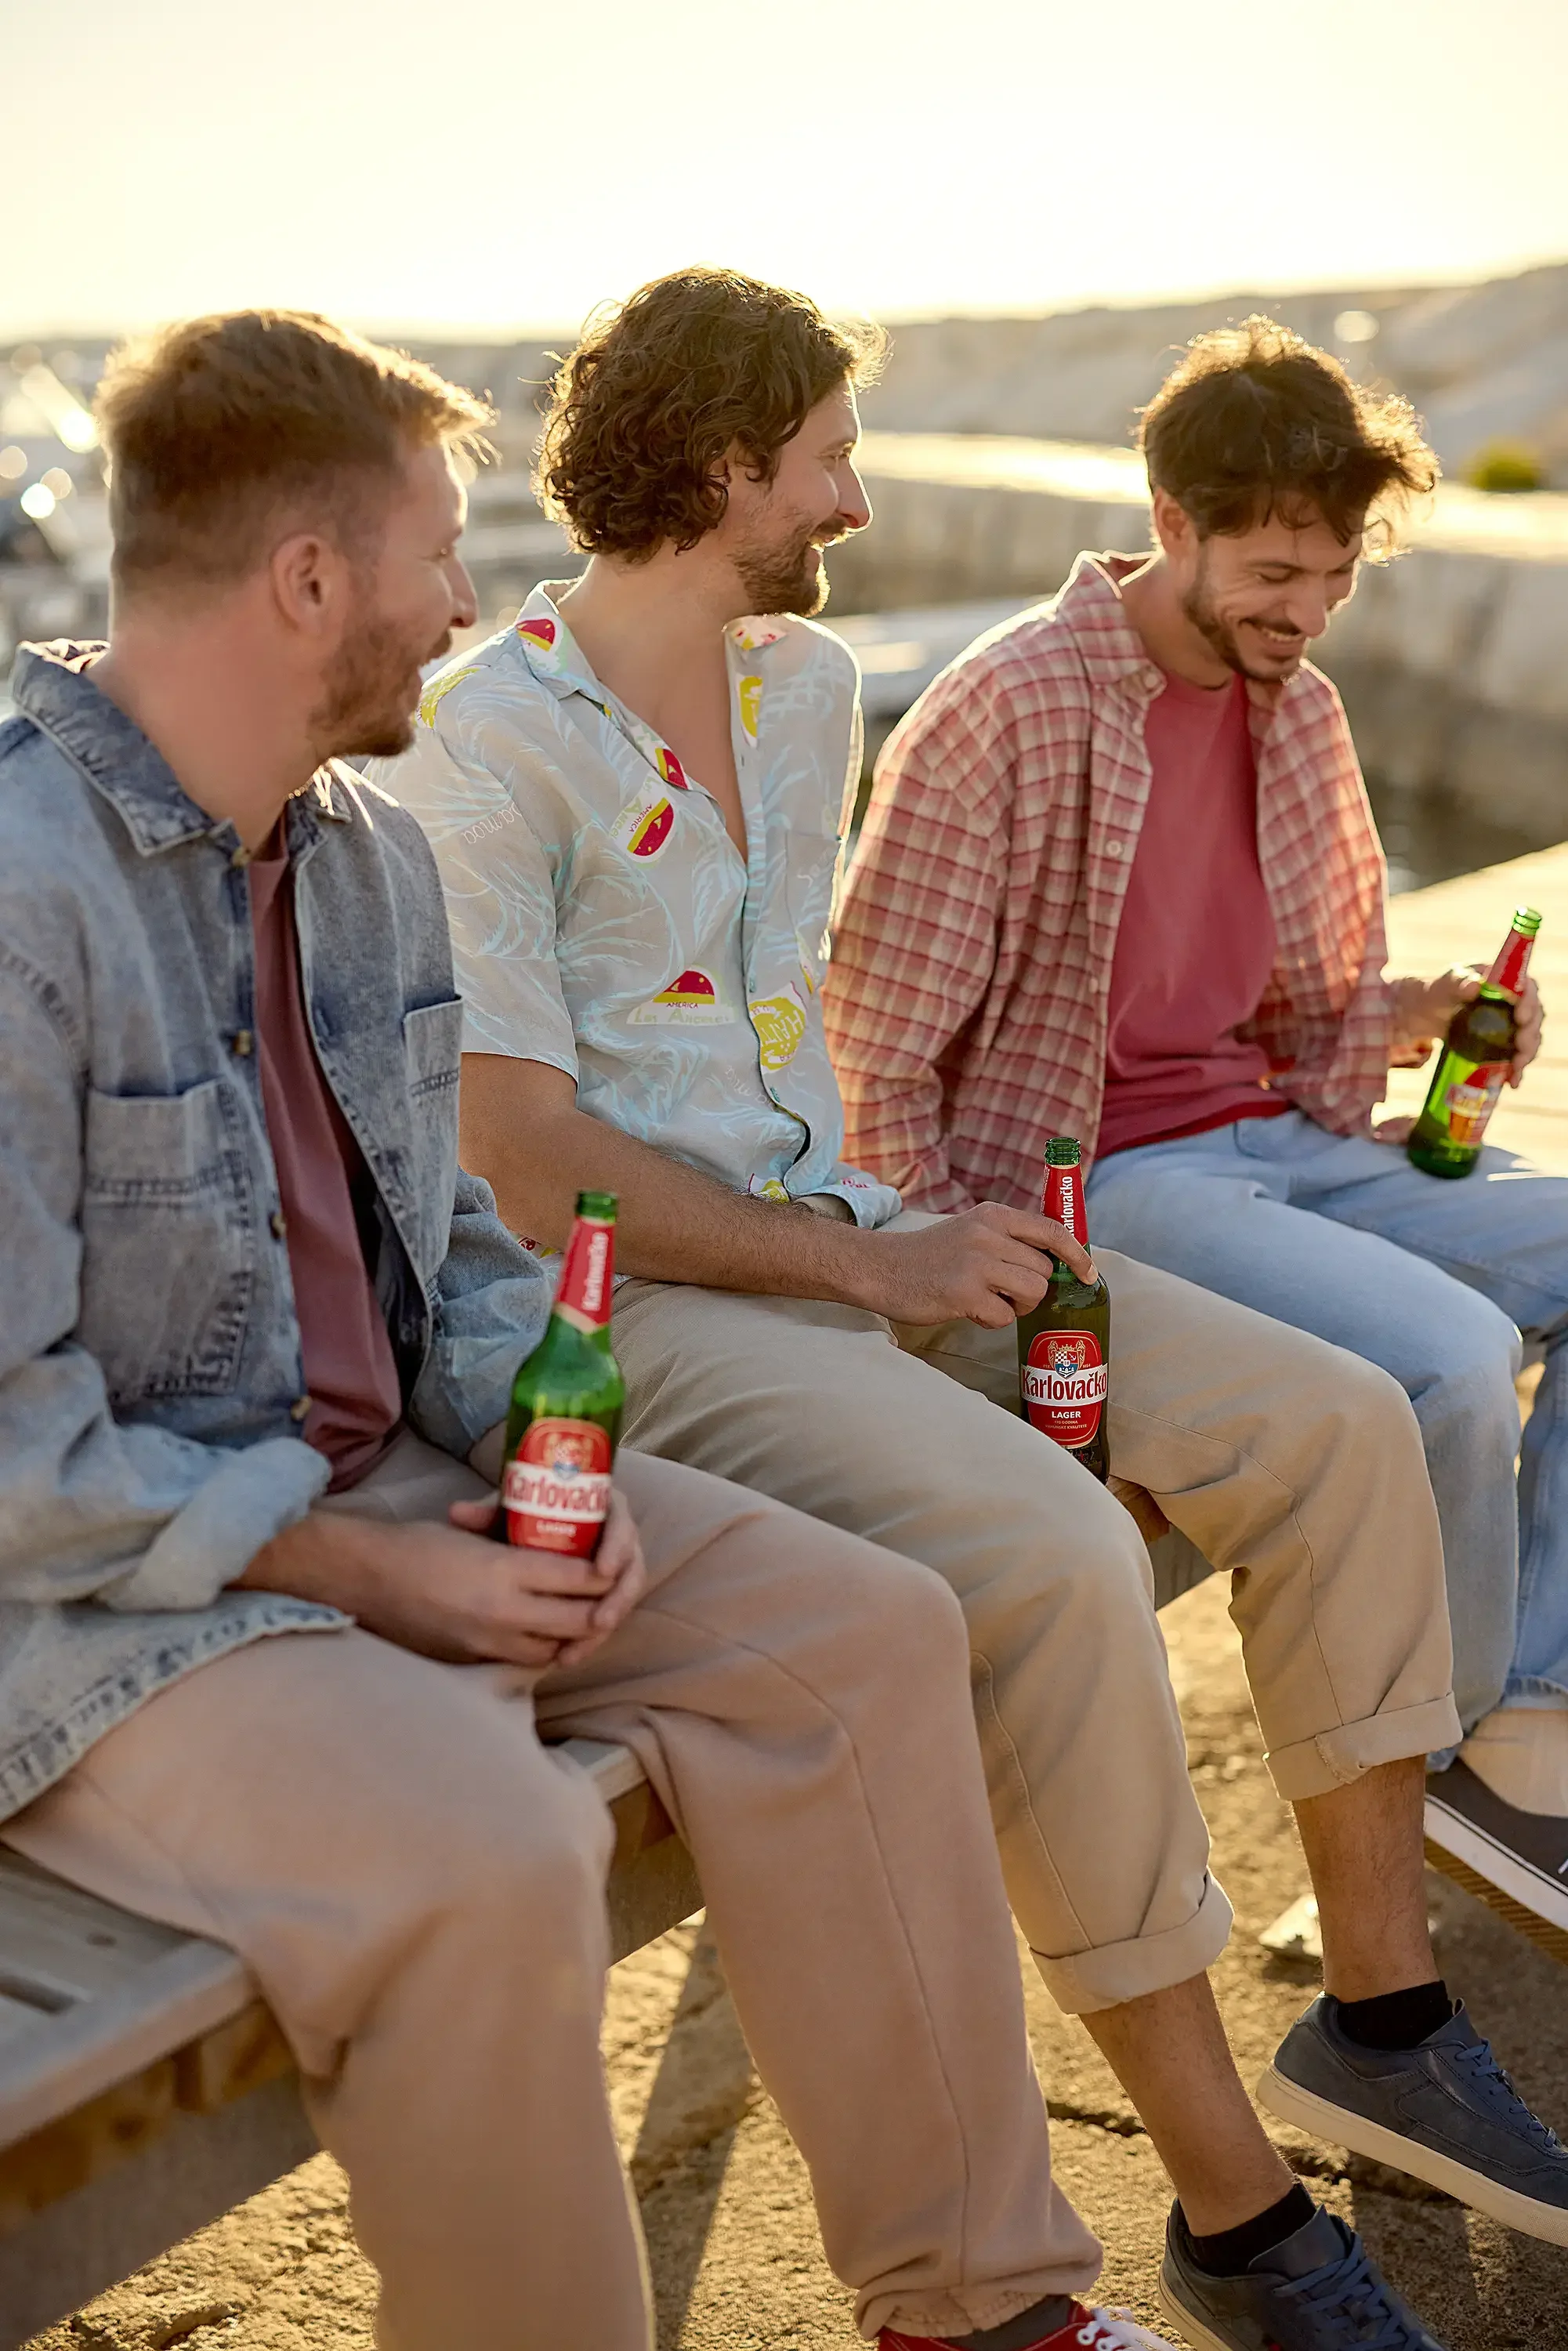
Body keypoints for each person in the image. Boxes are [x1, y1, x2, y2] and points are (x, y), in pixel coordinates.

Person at [378, 266, 1568, 2349]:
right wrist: (880, 1260)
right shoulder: (484, 756)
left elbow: (824, 1057)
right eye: (830, 451)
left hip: (873, 1231)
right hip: (650, 1295)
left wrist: (911, 1236)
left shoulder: (801, 693)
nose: (852, 495)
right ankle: (1235, 2215)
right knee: (1048, 1558)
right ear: (733, 460)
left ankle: (1382, 2014)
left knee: (1350, 1426)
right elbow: (524, 1158)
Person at [0, 307, 1211, 2351]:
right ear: (308, 581)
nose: (474, 601)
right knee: (488, 1851)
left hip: (390, 1490)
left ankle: (981, 2310)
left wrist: (541, 1447)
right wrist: (355, 1559)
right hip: (109, 1591)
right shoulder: (24, 889)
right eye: (433, 553)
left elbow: (454, 1248)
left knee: (866, 1634)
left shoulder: (369, 854)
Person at [823, 314, 1568, 1953]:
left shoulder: (1289, 702)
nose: (1303, 613)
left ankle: (1516, 1722)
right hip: (1104, 1181)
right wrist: (935, 1305)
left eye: (1333, 578)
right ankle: (1432, 1769)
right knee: (1439, 1359)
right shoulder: (1002, 709)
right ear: (1175, 525)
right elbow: (874, 1050)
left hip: (1283, 1138)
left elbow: (1292, 1004)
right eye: (1274, 571)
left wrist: (1414, 1008)